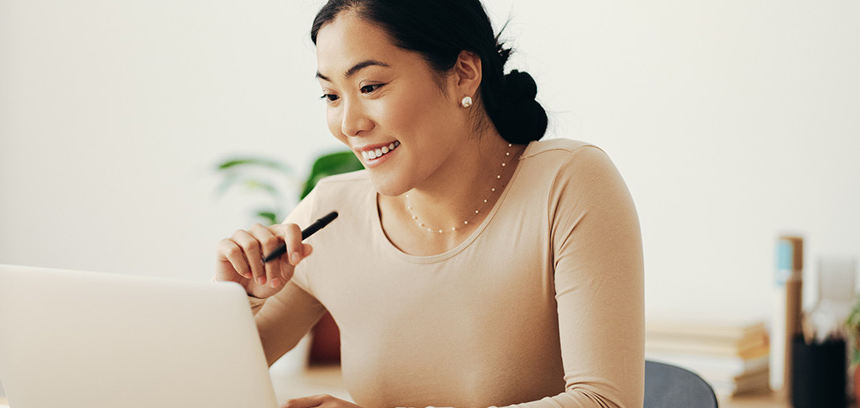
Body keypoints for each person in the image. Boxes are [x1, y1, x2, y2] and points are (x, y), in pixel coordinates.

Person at [214, 0, 644, 407]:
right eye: (331, 96)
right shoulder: (331, 213)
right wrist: (238, 298)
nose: (349, 124)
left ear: (463, 73)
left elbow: (606, 401)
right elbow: (210, 385)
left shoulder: (568, 184)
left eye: (370, 86)